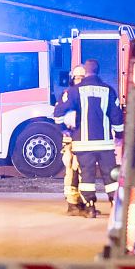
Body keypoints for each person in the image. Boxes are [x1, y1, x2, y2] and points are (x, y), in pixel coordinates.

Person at [53, 59, 124, 218]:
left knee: (87, 176)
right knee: (110, 175)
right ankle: (115, 205)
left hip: (82, 143)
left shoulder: (73, 92)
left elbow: (58, 113)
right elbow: (117, 116)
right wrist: (119, 136)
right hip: (105, 143)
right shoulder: (108, 90)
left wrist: (63, 130)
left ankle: (90, 206)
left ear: (85, 72)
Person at [55, 65, 86, 216]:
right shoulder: (69, 94)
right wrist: (64, 130)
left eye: (82, 78)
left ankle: (80, 202)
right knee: (72, 169)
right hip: (71, 138)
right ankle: (72, 203)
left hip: (83, 136)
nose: (79, 80)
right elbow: (58, 113)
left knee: (82, 170)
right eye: (77, 78)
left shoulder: (83, 93)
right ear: (72, 79)